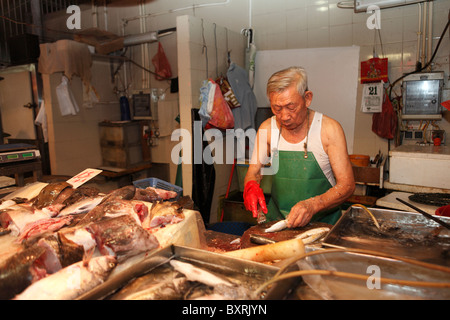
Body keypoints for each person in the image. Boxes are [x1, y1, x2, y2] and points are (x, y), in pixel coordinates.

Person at [243, 66, 355, 228]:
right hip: (278, 224)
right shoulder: (267, 129)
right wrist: (251, 186)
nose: (284, 116)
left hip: (322, 227)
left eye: (291, 107)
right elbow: (253, 172)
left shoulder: (329, 130)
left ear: (307, 98)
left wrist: (313, 205)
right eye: (277, 108)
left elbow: (347, 185)